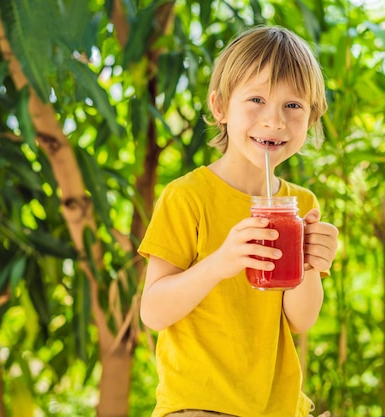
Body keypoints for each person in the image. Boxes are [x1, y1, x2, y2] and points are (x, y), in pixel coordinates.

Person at [138, 25, 339, 417]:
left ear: (312, 117)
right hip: (199, 405)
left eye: (293, 106)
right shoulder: (188, 196)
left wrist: (311, 263)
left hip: (278, 408)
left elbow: (301, 319)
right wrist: (221, 262)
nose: (275, 120)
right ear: (220, 107)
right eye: (257, 100)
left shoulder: (300, 203)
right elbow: (153, 311)